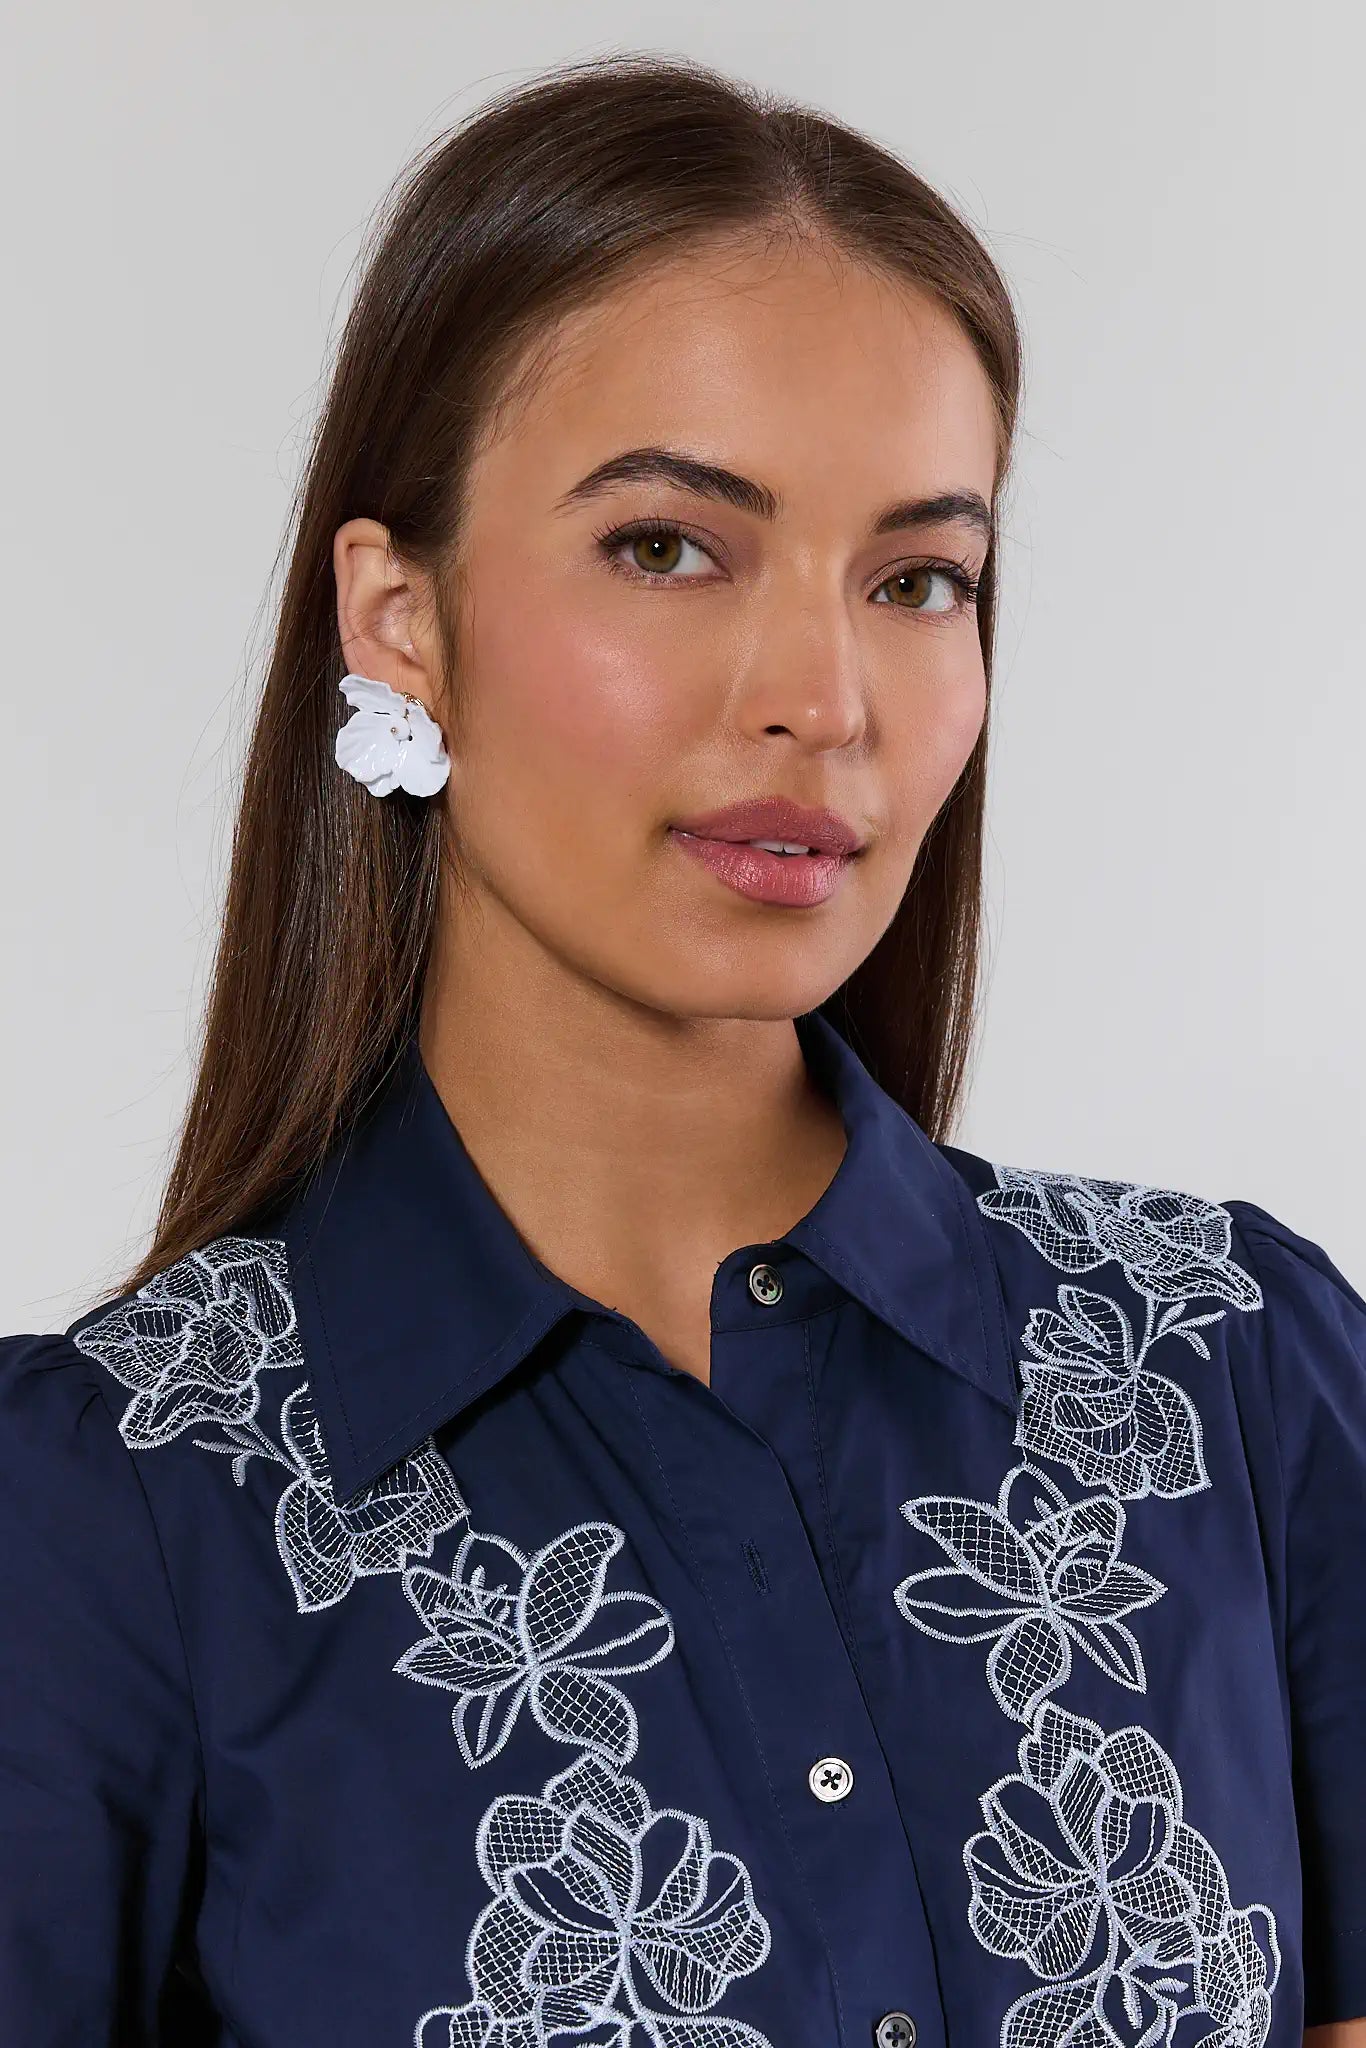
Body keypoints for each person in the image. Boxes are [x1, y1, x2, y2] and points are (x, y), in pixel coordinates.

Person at [1, 50, 1361, 2048]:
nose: (823, 695)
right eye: (667, 545)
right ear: (399, 618)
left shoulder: (1236, 1372)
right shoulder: (108, 1512)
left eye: (917, 579)